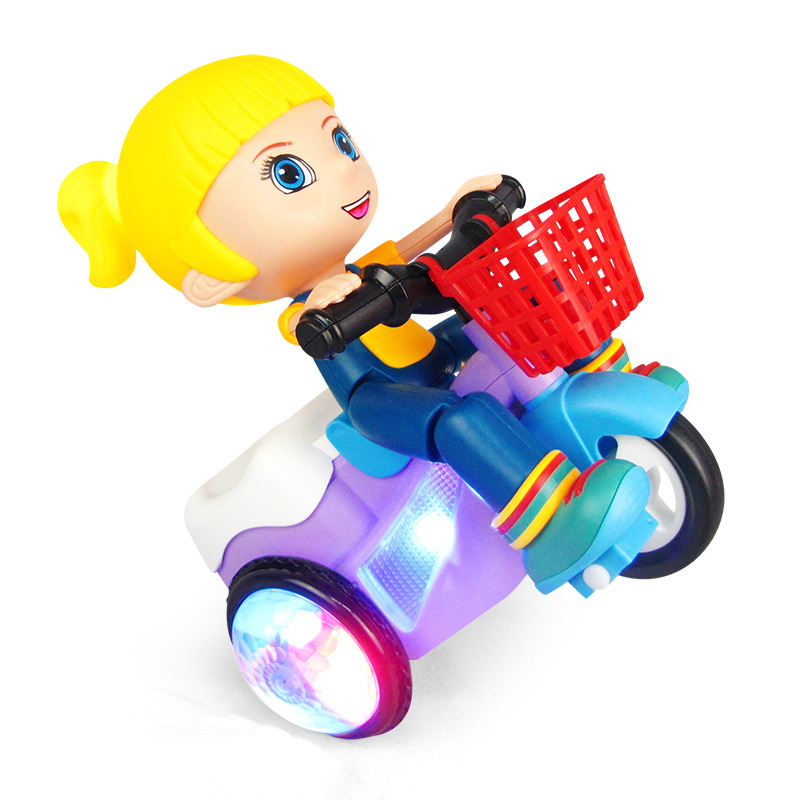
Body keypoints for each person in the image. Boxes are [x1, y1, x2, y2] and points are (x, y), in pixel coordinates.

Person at [58, 54, 652, 594]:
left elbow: (413, 252)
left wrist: (453, 212)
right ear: (210, 271)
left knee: (508, 306)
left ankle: (604, 377)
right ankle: (551, 525)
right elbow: (309, 324)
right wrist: (326, 300)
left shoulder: (364, 273)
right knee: (463, 417)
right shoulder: (312, 313)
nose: (345, 173)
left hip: (431, 360)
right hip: (378, 400)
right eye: (290, 174)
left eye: (339, 141)